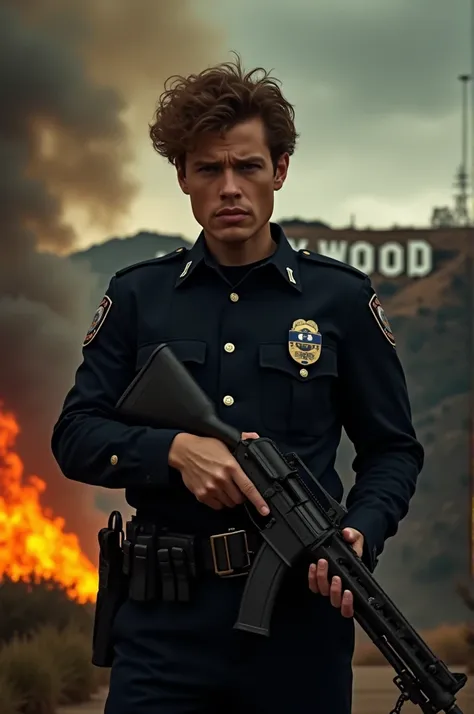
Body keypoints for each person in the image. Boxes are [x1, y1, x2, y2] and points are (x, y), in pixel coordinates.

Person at [51, 56, 424, 714]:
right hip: (163, 630)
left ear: (279, 170)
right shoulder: (139, 297)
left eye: (248, 167)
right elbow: (76, 435)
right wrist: (174, 452)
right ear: (183, 179)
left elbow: (392, 450)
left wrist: (361, 533)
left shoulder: (338, 300)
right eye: (209, 169)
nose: (230, 187)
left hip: (299, 633)